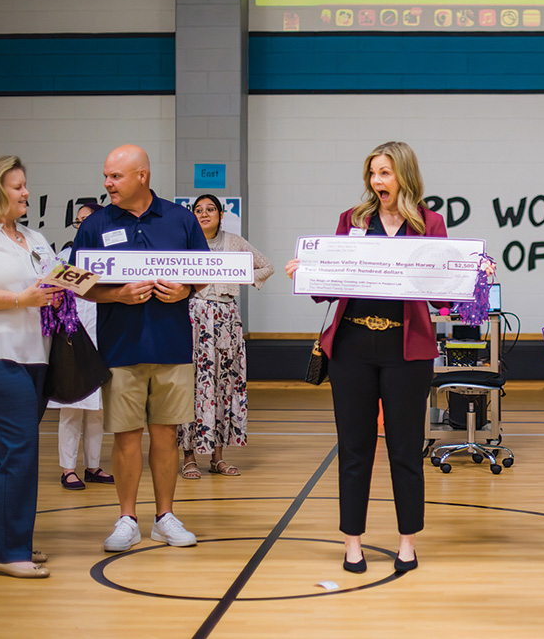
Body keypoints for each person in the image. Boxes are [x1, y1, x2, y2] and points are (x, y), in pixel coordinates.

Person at [286, 141, 445, 574]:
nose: (377, 181)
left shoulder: (430, 224)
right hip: (352, 348)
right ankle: (352, 543)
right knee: (355, 449)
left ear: (404, 176)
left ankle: (407, 543)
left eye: (385, 173)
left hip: (406, 352)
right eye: (373, 173)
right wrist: (308, 272)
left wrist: (472, 276)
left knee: (405, 450)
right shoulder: (352, 220)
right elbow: (330, 286)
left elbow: (443, 298)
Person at [70, 144, 209, 553]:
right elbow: (76, 282)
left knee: (166, 435)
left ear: (142, 176)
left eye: (115, 176)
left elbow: (202, 272)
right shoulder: (95, 225)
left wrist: (185, 289)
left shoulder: (181, 219)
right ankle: (127, 519)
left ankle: (165, 518)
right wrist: (117, 295)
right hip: (120, 349)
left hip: (173, 347)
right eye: (107, 176)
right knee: (126, 437)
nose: (107, 183)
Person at [0, 156, 63, 578]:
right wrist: (18, 300)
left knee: (7, 451)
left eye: (25, 185)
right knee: (21, 449)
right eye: (18, 187)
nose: (26, 192)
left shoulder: (35, 238)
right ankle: (11, 554)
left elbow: (50, 283)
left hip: (36, 356)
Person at [178, 194, 274, 478]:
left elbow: (266, 266)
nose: (204, 214)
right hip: (194, 316)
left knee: (224, 383)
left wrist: (242, 276)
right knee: (192, 384)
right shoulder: (185, 243)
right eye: (198, 210)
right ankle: (188, 456)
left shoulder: (234, 242)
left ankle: (217, 457)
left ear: (221, 214)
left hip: (226, 318)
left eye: (210, 209)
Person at [47, 202, 115, 491]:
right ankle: (68, 469)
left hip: (104, 340)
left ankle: (93, 466)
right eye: (78, 221)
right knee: (72, 407)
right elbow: (50, 295)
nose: (82, 225)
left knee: (97, 409)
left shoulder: (112, 257)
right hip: (74, 340)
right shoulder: (65, 257)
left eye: (87, 219)